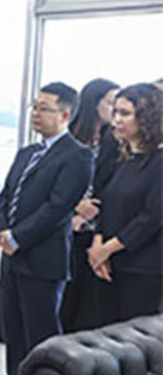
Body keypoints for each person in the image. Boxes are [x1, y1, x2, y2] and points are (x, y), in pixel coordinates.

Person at [0, 82, 93, 375]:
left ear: (65, 114)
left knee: (41, 333)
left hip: (43, 256)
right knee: (13, 326)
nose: (36, 113)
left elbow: (58, 207)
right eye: (35, 106)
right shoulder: (27, 152)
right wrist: (4, 232)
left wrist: (19, 237)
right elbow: (5, 196)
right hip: (11, 253)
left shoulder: (78, 156)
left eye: (44, 108)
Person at [88, 83, 162, 323]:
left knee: (132, 339)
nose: (117, 120)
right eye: (116, 112)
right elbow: (107, 205)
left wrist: (107, 249)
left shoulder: (159, 162)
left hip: (143, 268)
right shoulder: (126, 159)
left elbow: (152, 217)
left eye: (125, 113)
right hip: (110, 263)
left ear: (147, 117)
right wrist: (98, 246)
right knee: (103, 335)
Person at [59, 78, 120, 332]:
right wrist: (75, 206)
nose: (115, 111)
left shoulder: (114, 142)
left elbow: (113, 189)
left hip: (95, 230)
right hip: (63, 225)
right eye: (111, 103)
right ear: (94, 103)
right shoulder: (68, 138)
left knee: (83, 305)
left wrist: (88, 215)